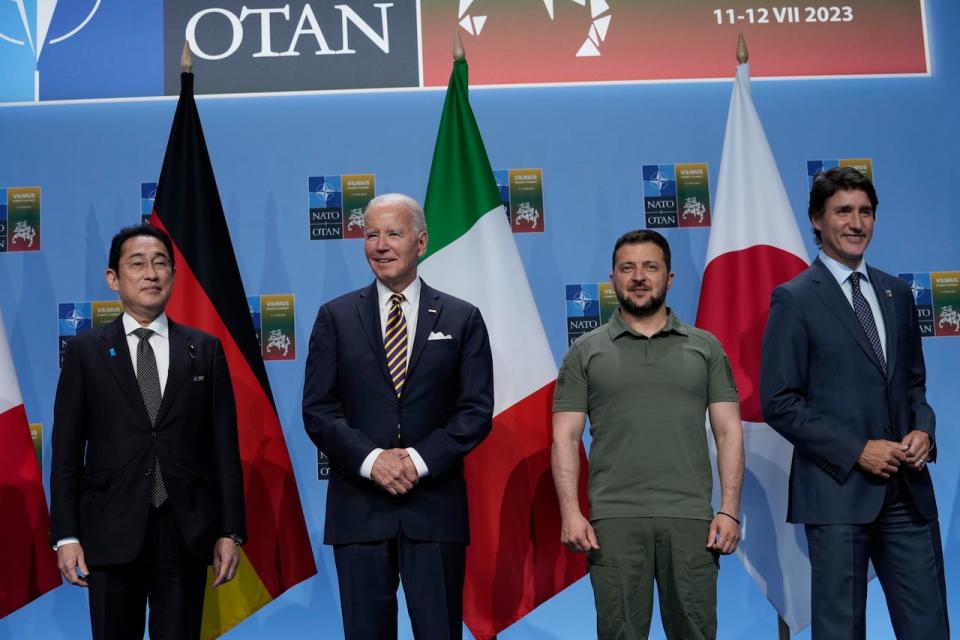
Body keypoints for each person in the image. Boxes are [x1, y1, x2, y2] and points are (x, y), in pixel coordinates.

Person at [761, 167, 948, 639]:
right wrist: (856, 449)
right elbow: (779, 401)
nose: (856, 222)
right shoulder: (795, 299)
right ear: (817, 221)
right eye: (843, 211)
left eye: (866, 212)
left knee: (929, 627)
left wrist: (924, 431)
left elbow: (914, 386)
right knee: (841, 631)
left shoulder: (897, 293)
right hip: (837, 493)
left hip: (908, 493)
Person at [302, 193, 493, 640]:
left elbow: (475, 410)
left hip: (434, 511)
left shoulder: (462, 318)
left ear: (421, 242)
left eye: (393, 233)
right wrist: (374, 461)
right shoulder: (335, 317)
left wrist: (415, 461)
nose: (380, 244)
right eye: (371, 234)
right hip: (359, 512)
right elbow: (318, 408)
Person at [50, 224, 245, 640]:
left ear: (173, 275)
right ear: (113, 279)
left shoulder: (204, 349)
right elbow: (66, 452)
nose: (150, 273)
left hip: (184, 530)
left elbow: (224, 449)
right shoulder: (86, 352)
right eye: (136, 264)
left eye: (160, 264)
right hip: (110, 529)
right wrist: (66, 535)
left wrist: (230, 530)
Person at [552, 229, 744, 640]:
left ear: (669, 278)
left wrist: (728, 509)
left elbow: (728, 432)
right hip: (613, 524)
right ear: (613, 279)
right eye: (628, 268)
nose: (639, 276)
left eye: (650, 267)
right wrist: (571, 512)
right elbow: (565, 438)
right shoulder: (584, 351)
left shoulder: (706, 348)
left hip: (692, 521)